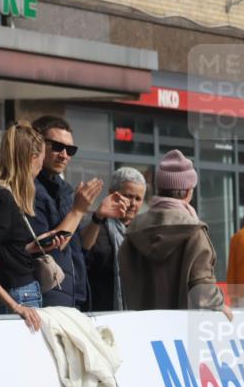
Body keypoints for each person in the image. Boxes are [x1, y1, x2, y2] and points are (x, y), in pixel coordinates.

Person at [0, 122, 55, 331]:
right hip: (18, 295)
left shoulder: (2, 195)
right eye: (42, 156)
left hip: (18, 294)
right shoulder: (1, 197)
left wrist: (28, 249)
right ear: (33, 158)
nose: (43, 163)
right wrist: (15, 305)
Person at [30, 115, 126, 310]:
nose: (64, 155)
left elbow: (80, 246)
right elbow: (48, 246)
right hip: (47, 299)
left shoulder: (65, 190)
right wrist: (79, 209)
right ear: (37, 145)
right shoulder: (29, 189)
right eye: (57, 146)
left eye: (70, 150)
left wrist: (98, 217)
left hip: (77, 297)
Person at [119, 150, 228, 316]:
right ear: (187, 191)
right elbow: (202, 292)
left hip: (141, 330)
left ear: (159, 188)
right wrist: (221, 305)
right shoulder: (194, 231)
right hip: (181, 333)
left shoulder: (133, 230)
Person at [82, 167, 146, 312]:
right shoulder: (94, 225)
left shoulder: (144, 233)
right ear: (112, 194)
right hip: (100, 314)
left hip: (136, 316)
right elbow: (83, 253)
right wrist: (97, 219)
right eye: (128, 196)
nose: (133, 203)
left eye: (138, 199)